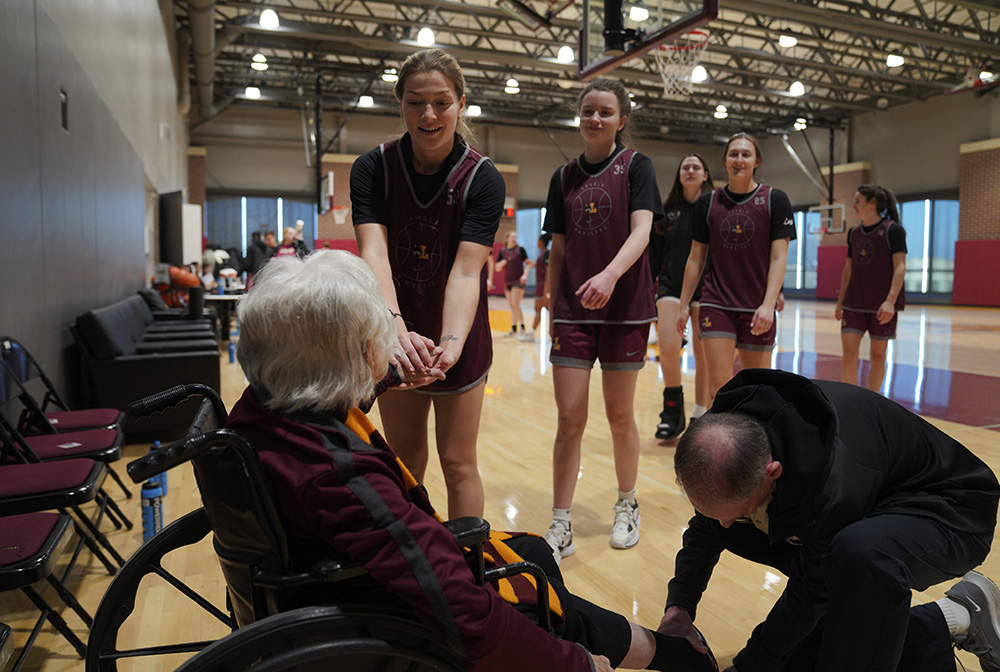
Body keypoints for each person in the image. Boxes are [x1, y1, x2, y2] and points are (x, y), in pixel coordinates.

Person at [225, 251, 719, 672]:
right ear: (344, 357)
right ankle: (664, 653)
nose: (385, 344)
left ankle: (660, 651)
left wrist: (387, 377)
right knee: (533, 572)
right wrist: (572, 663)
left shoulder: (267, 407)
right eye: (374, 340)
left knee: (533, 554)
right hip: (378, 613)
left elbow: (326, 391)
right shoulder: (339, 473)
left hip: (318, 582)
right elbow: (460, 606)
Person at [658, 368, 1000, 672]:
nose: (726, 525)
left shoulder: (831, 486)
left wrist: (753, 663)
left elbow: (810, 592)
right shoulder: (727, 438)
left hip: (953, 510)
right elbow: (708, 526)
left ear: (771, 471)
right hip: (865, 511)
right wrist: (679, 609)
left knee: (859, 558)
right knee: (808, 648)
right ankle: (959, 616)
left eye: (739, 512)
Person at [351, 48, 503, 519]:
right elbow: (374, 254)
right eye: (416, 102)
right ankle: (413, 567)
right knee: (405, 463)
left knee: (458, 463)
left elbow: (465, 271)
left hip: (458, 337)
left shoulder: (483, 178)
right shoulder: (372, 168)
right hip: (396, 333)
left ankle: (469, 577)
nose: (429, 114)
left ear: (460, 103)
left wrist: (451, 344)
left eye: (441, 101)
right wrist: (396, 332)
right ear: (401, 105)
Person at [541, 79, 662, 559]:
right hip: (573, 311)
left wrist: (610, 276)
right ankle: (561, 523)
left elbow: (643, 231)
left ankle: (627, 504)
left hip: (625, 307)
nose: (594, 119)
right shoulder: (563, 176)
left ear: (621, 120)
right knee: (569, 419)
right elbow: (560, 250)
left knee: (618, 416)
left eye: (605, 112)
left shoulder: (637, 167)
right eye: (588, 111)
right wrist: (552, 304)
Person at [674, 133, 795, 409]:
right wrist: (683, 305)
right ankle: (720, 451)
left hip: (757, 308)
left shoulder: (775, 200)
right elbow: (695, 258)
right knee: (719, 388)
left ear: (756, 161)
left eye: (745, 154)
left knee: (757, 389)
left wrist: (767, 305)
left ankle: (753, 451)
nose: (739, 160)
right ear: (724, 161)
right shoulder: (708, 204)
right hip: (717, 304)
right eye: (733, 154)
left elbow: (779, 257)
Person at [649, 154, 713, 443]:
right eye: (684, 166)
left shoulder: (715, 208)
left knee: (703, 356)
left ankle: (701, 414)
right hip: (671, 288)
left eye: (695, 167)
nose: (689, 170)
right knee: (668, 347)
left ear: (705, 175)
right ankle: (673, 410)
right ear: (679, 174)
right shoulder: (666, 212)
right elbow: (654, 256)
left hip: (708, 289)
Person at [834, 184, 906, 393]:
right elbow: (848, 269)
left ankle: (872, 400)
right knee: (848, 354)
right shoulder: (853, 233)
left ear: (872, 203)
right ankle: (850, 401)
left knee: (878, 356)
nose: (854, 206)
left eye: (857, 201)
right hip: (854, 303)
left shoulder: (893, 230)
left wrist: (890, 301)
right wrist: (840, 302)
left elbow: (900, 266)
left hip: (882, 306)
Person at [494, 231, 532, 340]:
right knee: (511, 306)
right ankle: (514, 328)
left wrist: (525, 275)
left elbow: (528, 264)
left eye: (515, 237)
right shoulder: (502, 251)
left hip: (518, 282)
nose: (514, 239)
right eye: (512, 237)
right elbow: (497, 267)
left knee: (516, 304)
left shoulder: (520, 250)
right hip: (508, 282)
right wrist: (500, 264)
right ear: (507, 238)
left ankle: (522, 327)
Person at [531, 233, 552, 337]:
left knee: (540, 309)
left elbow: (548, 272)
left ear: (541, 242)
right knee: (540, 309)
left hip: (543, 286)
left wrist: (546, 289)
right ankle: (551, 333)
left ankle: (532, 333)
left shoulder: (546, 254)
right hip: (540, 285)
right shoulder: (542, 254)